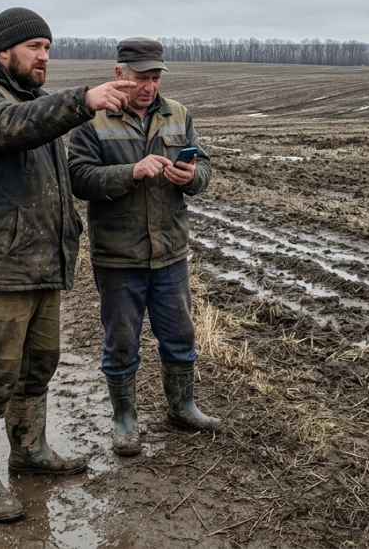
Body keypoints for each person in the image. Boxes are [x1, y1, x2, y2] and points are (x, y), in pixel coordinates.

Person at [0, 7, 133, 522]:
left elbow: (58, 168)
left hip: (42, 262)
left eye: (48, 48)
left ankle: (30, 450)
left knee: (38, 365)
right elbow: (10, 129)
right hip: (0, 266)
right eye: (34, 47)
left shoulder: (33, 102)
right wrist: (82, 100)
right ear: (3, 50)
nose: (44, 57)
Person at [68, 37, 221, 458]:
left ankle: (182, 407)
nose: (149, 86)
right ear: (120, 73)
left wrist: (190, 178)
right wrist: (130, 172)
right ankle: (125, 420)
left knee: (180, 334)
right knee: (121, 341)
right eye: (141, 78)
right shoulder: (92, 120)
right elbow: (79, 179)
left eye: (155, 78)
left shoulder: (179, 115)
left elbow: (205, 168)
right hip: (118, 256)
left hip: (170, 252)